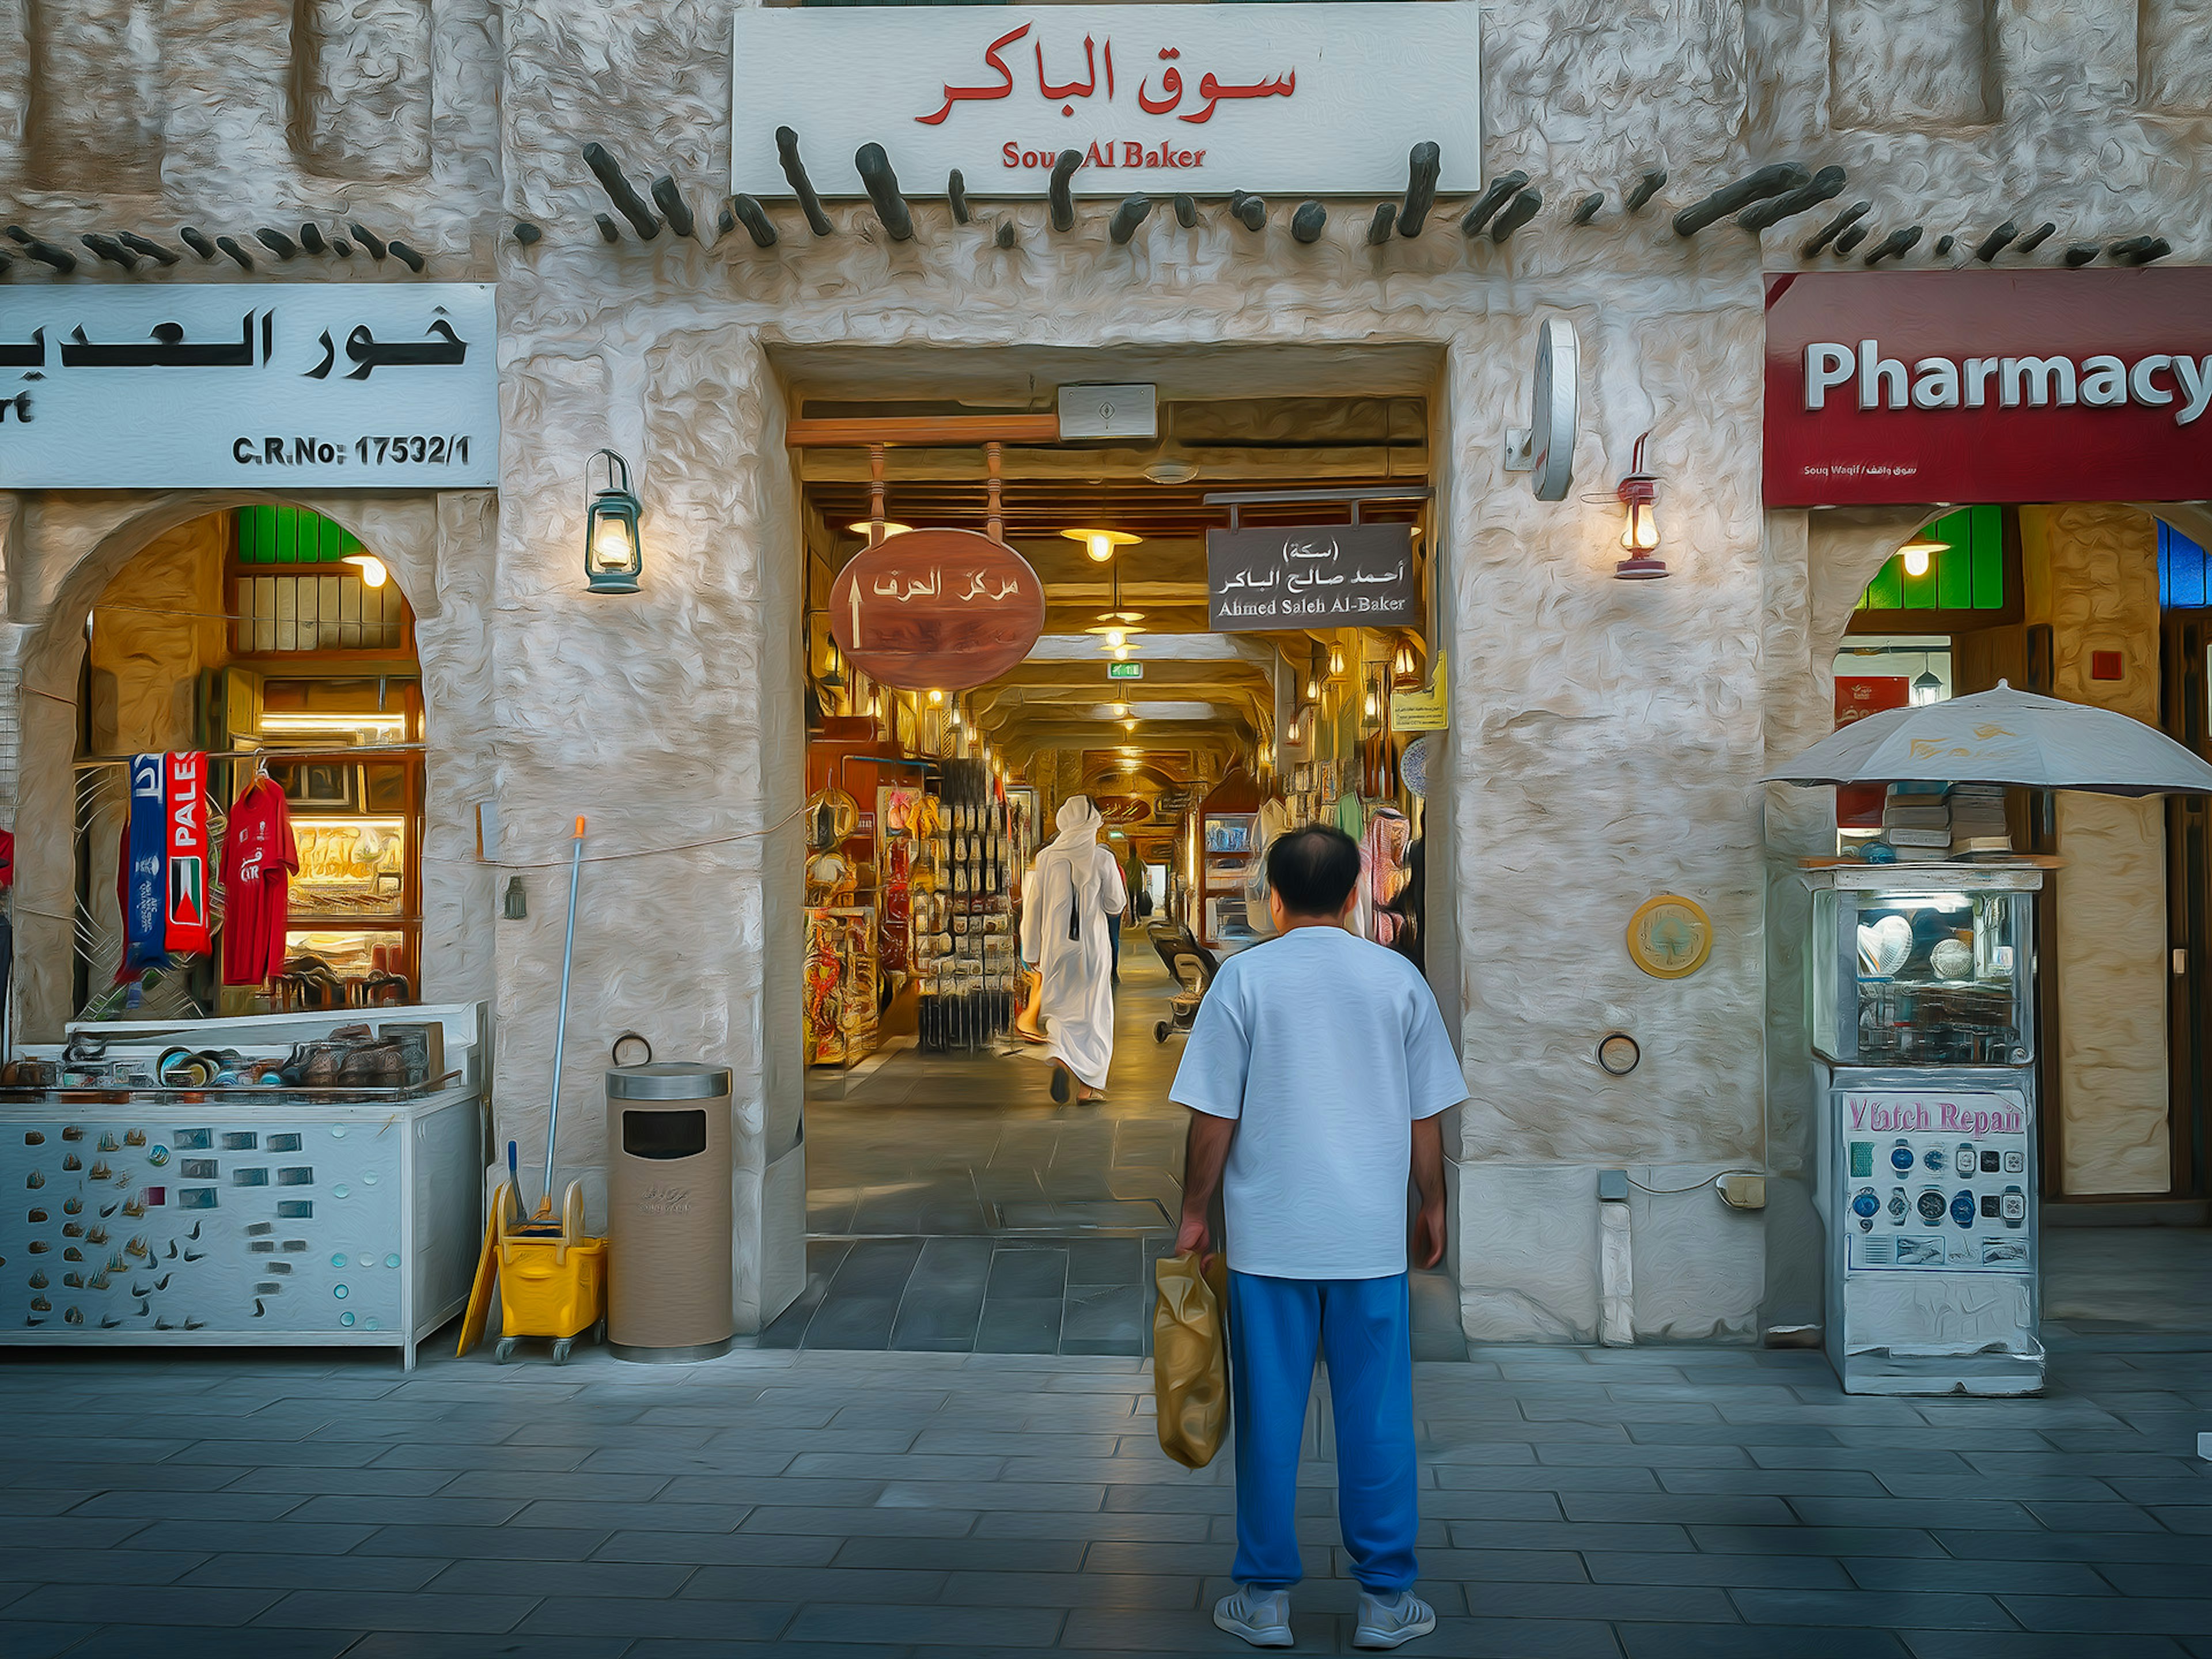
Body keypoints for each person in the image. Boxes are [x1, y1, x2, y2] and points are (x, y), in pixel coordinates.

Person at [1170, 823, 1464, 1652]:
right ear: (1352, 896)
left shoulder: (1242, 981)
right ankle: (1384, 1602)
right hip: (1369, 1241)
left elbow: (1212, 1118)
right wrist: (1433, 1203)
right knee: (1377, 1417)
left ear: (1271, 897)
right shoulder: (1397, 981)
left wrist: (1197, 1213)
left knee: (1270, 1417)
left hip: (1267, 1241)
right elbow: (1424, 1115)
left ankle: (1264, 1600)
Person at [1018, 795, 1127, 1103]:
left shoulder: (1047, 859)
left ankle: (1062, 1057)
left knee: (1062, 1011)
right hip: (1092, 951)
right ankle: (1087, 1088)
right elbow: (1115, 904)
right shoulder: (1102, 858)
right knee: (1094, 1014)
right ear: (1094, 822)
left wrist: (1032, 953)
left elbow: (1033, 908)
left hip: (1056, 950)